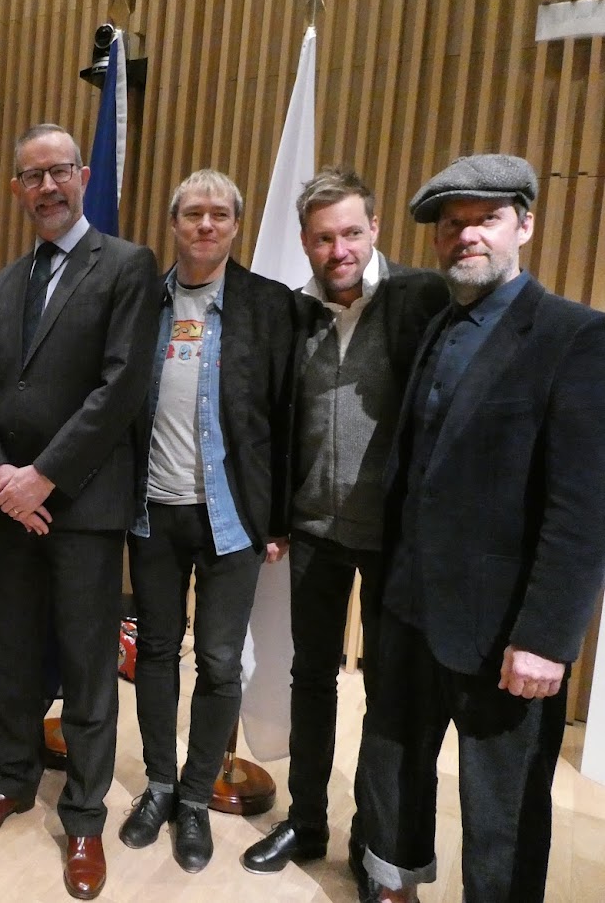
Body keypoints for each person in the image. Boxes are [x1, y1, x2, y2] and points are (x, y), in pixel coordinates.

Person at [357, 154, 605, 903]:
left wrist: (547, 639)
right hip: (409, 607)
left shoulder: (576, 336)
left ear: (525, 224)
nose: (467, 236)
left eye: (485, 219)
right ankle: (391, 885)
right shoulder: (437, 324)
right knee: (393, 765)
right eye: (452, 224)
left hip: (505, 631)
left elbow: (583, 505)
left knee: (501, 807)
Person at [0, 123, 159, 901]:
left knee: (85, 664)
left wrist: (44, 476)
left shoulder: (127, 266)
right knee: (8, 651)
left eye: (59, 172)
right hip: (10, 505)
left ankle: (82, 817)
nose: (47, 187)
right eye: (31, 176)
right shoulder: (5, 283)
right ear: (16, 189)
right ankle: (12, 778)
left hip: (81, 503)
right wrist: (3, 472)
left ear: (82, 176)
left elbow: (119, 390)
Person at [240, 168, 445, 885]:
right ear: (305, 242)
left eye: (352, 232)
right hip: (312, 531)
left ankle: (373, 842)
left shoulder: (421, 299)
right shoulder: (292, 314)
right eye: (324, 237)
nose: (339, 249)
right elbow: (270, 418)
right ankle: (305, 820)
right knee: (309, 678)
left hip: (394, 538)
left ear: (376, 229)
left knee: (390, 691)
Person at [118, 169, 294, 875]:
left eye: (220, 213)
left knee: (220, 660)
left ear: (236, 225)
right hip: (154, 509)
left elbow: (285, 418)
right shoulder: (142, 302)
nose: (206, 225)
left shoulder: (268, 306)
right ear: (173, 222)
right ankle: (158, 785)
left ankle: (195, 796)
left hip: (234, 519)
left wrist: (278, 517)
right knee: (156, 649)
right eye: (193, 212)